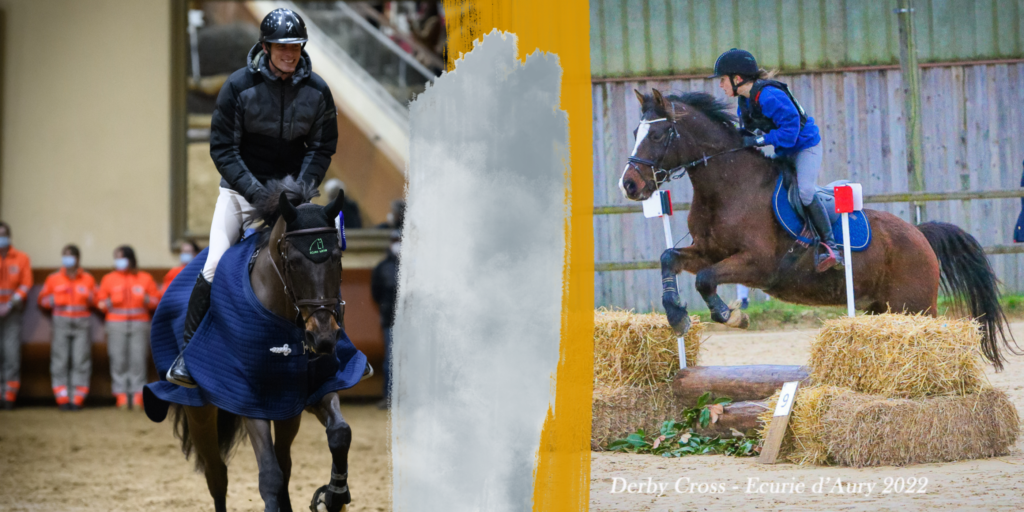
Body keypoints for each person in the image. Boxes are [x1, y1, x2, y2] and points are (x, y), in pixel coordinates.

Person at [166, 8, 339, 388]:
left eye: (295, 47)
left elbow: (323, 147)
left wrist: (301, 186)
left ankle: (336, 351)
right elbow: (223, 149)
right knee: (213, 265)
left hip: (293, 197)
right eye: (282, 47)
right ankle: (187, 357)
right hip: (241, 193)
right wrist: (259, 194)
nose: (290, 55)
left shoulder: (318, 91)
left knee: (322, 260)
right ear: (265, 47)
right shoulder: (237, 86)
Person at [710, 48, 840, 272]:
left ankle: (831, 246)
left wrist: (758, 140)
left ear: (737, 79)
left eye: (722, 80)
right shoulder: (745, 101)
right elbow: (748, 133)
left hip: (805, 147)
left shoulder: (769, 96)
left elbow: (789, 135)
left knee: (805, 191)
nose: (720, 85)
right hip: (784, 148)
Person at [97, 246, 159, 409]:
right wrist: (110, 301)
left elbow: (156, 301)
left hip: (139, 323)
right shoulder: (108, 279)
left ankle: (138, 396)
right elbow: (100, 303)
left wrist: (144, 299)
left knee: (138, 359)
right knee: (118, 359)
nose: (118, 261)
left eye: (121, 257)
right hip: (116, 324)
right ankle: (122, 397)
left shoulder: (144, 278)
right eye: (116, 257)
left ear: (131, 259)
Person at [38, 245, 96, 410]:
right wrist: (54, 300)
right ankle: (62, 398)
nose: (67, 259)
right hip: (60, 323)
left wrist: (89, 298)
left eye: (70, 255)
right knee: (60, 360)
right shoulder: (53, 278)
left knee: (81, 361)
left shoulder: (88, 279)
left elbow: (96, 300)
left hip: (82, 324)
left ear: (77, 259)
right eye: (64, 255)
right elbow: (42, 300)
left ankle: (77, 399)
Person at [0, 222, 32, 410]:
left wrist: (10, 304)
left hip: (12, 313)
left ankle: (9, 396)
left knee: (11, 354)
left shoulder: (21, 258)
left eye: (3, 234)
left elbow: (26, 284)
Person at [370, 230, 401, 409]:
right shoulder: (382, 267)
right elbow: (376, 294)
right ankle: (389, 397)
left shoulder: (415, 264)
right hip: (390, 320)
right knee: (390, 359)